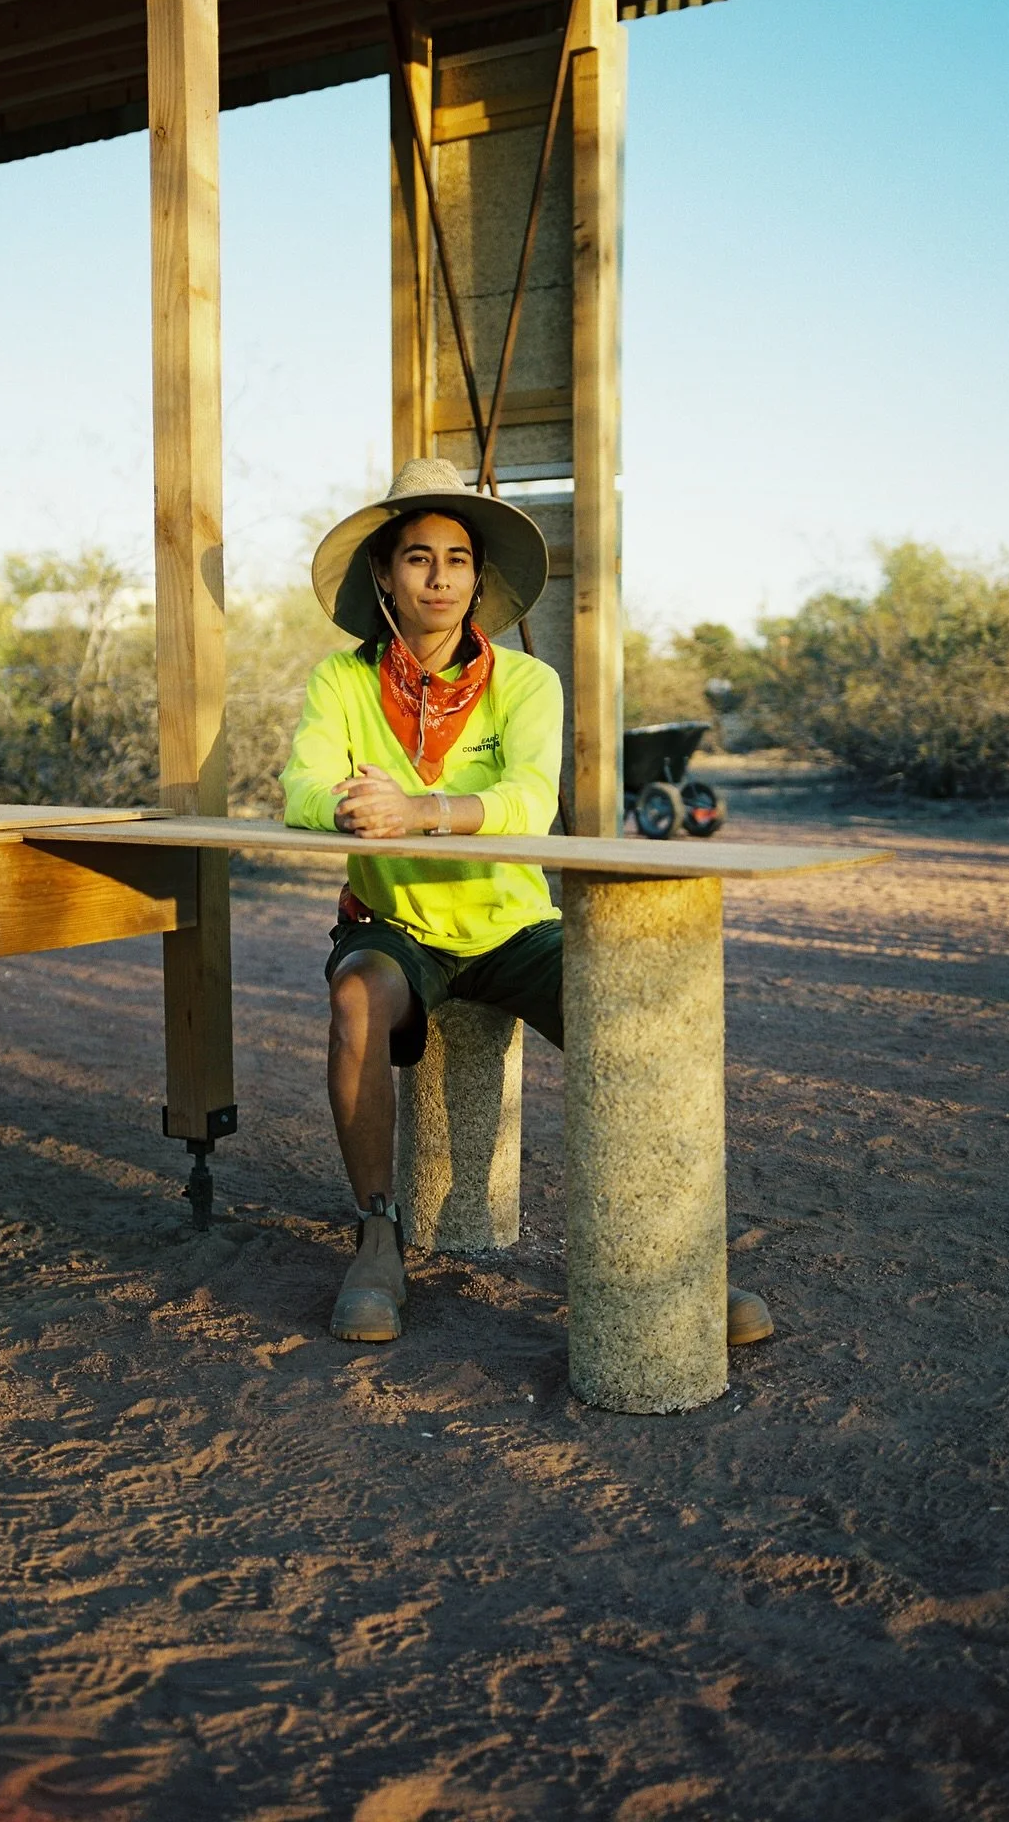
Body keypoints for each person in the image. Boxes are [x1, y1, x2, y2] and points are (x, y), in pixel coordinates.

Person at [281, 457, 772, 1350]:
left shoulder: (526, 682)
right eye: (418, 557)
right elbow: (301, 788)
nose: (439, 577)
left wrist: (422, 810)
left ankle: (677, 1255)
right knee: (355, 997)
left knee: (623, 1015)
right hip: (397, 928)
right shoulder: (341, 682)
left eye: (458, 560)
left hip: (513, 927)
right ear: (384, 574)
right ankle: (378, 1238)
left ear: (478, 579)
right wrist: (348, 806)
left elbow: (529, 800)